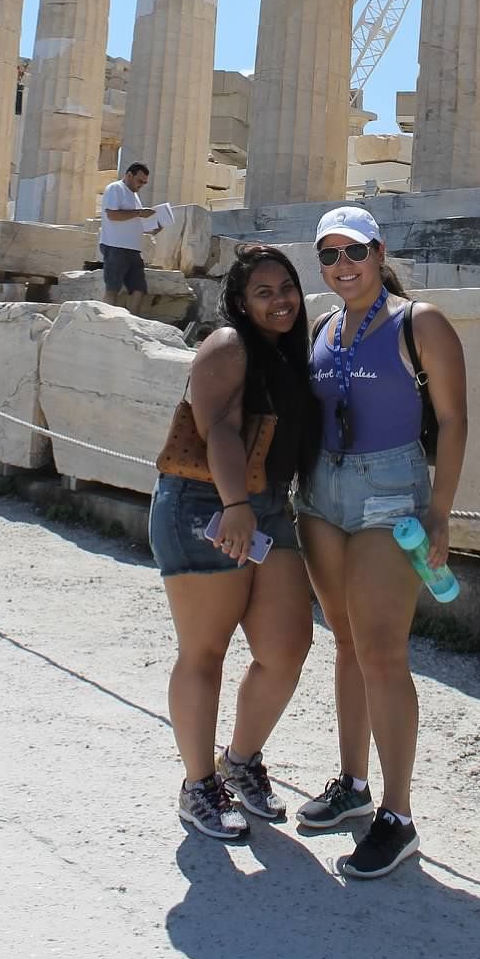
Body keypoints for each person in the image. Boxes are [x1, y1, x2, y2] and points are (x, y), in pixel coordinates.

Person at [295, 206, 467, 879]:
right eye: (329, 256)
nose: (343, 266)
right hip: (320, 493)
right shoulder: (322, 324)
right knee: (344, 642)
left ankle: (398, 816)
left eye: (354, 252)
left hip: (389, 491)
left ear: (380, 250)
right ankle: (354, 785)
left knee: (383, 652)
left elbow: (453, 420)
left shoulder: (420, 322)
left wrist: (443, 515)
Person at [150, 244, 321, 840]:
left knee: (287, 646)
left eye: (287, 288)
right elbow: (216, 427)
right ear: (241, 303)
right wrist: (235, 507)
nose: (281, 301)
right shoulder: (228, 344)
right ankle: (198, 786)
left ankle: (240, 760)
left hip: (266, 506)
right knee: (205, 651)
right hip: (208, 502)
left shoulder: (289, 354)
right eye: (264, 292)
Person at [99, 162, 160, 308]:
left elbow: (134, 221)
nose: (141, 185)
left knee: (139, 289)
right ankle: (104, 322)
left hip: (133, 249)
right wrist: (139, 212)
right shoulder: (115, 188)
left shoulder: (134, 196)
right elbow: (112, 215)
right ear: (129, 175)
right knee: (113, 289)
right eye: (139, 181)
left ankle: (132, 324)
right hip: (115, 247)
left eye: (144, 183)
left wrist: (155, 227)